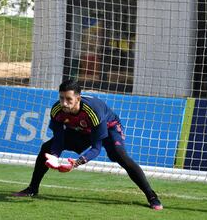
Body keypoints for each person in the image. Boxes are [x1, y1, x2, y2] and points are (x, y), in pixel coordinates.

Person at [12, 79, 163, 210]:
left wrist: (76, 163)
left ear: (78, 99)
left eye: (69, 99)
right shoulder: (57, 110)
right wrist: (55, 157)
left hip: (108, 128)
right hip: (82, 130)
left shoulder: (92, 110)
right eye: (61, 98)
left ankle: (151, 196)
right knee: (47, 148)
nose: (64, 103)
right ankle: (32, 188)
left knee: (120, 155)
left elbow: (96, 148)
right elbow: (59, 139)